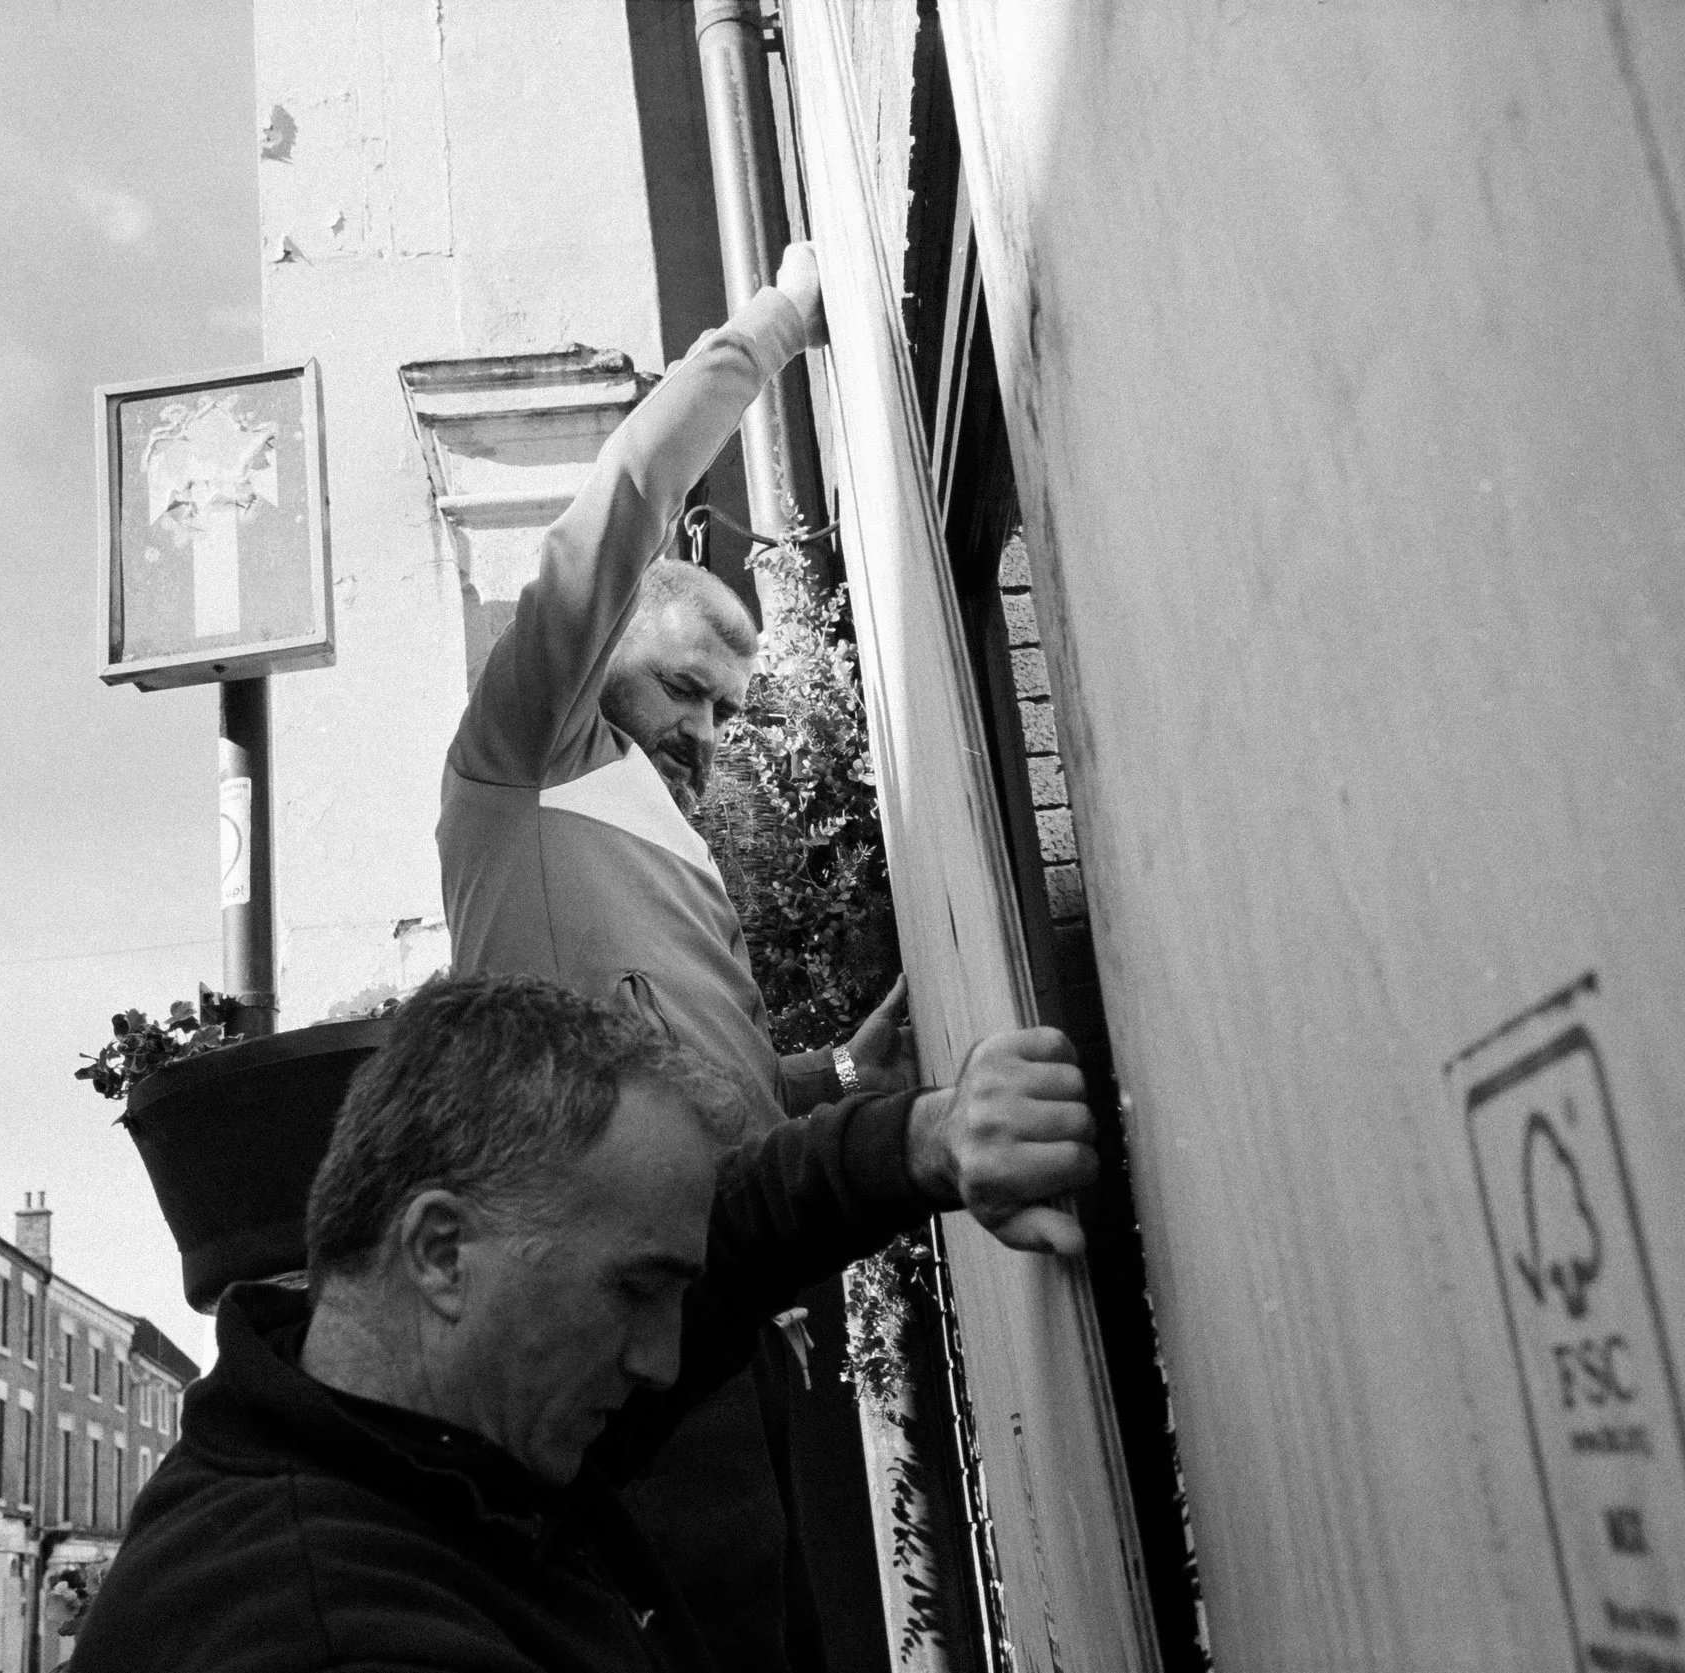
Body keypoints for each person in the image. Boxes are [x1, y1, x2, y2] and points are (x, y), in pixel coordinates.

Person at [438, 240, 973, 1669]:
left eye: (733, 712)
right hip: (601, 1320)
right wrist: (778, 327)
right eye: (689, 688)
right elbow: (619, 505)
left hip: (725, 1313)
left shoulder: (647, 838)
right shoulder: (524, 764)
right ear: (608, 650)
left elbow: (698, 1079)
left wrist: (831, 1073)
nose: (709, 735)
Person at [69, 972, 1097, 1672]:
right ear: (437, 1250)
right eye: (634, 1292)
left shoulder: (432, 1424)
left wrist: (933, 1134)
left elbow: (731, 1225)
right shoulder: (327, 1627)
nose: (663, 1359)